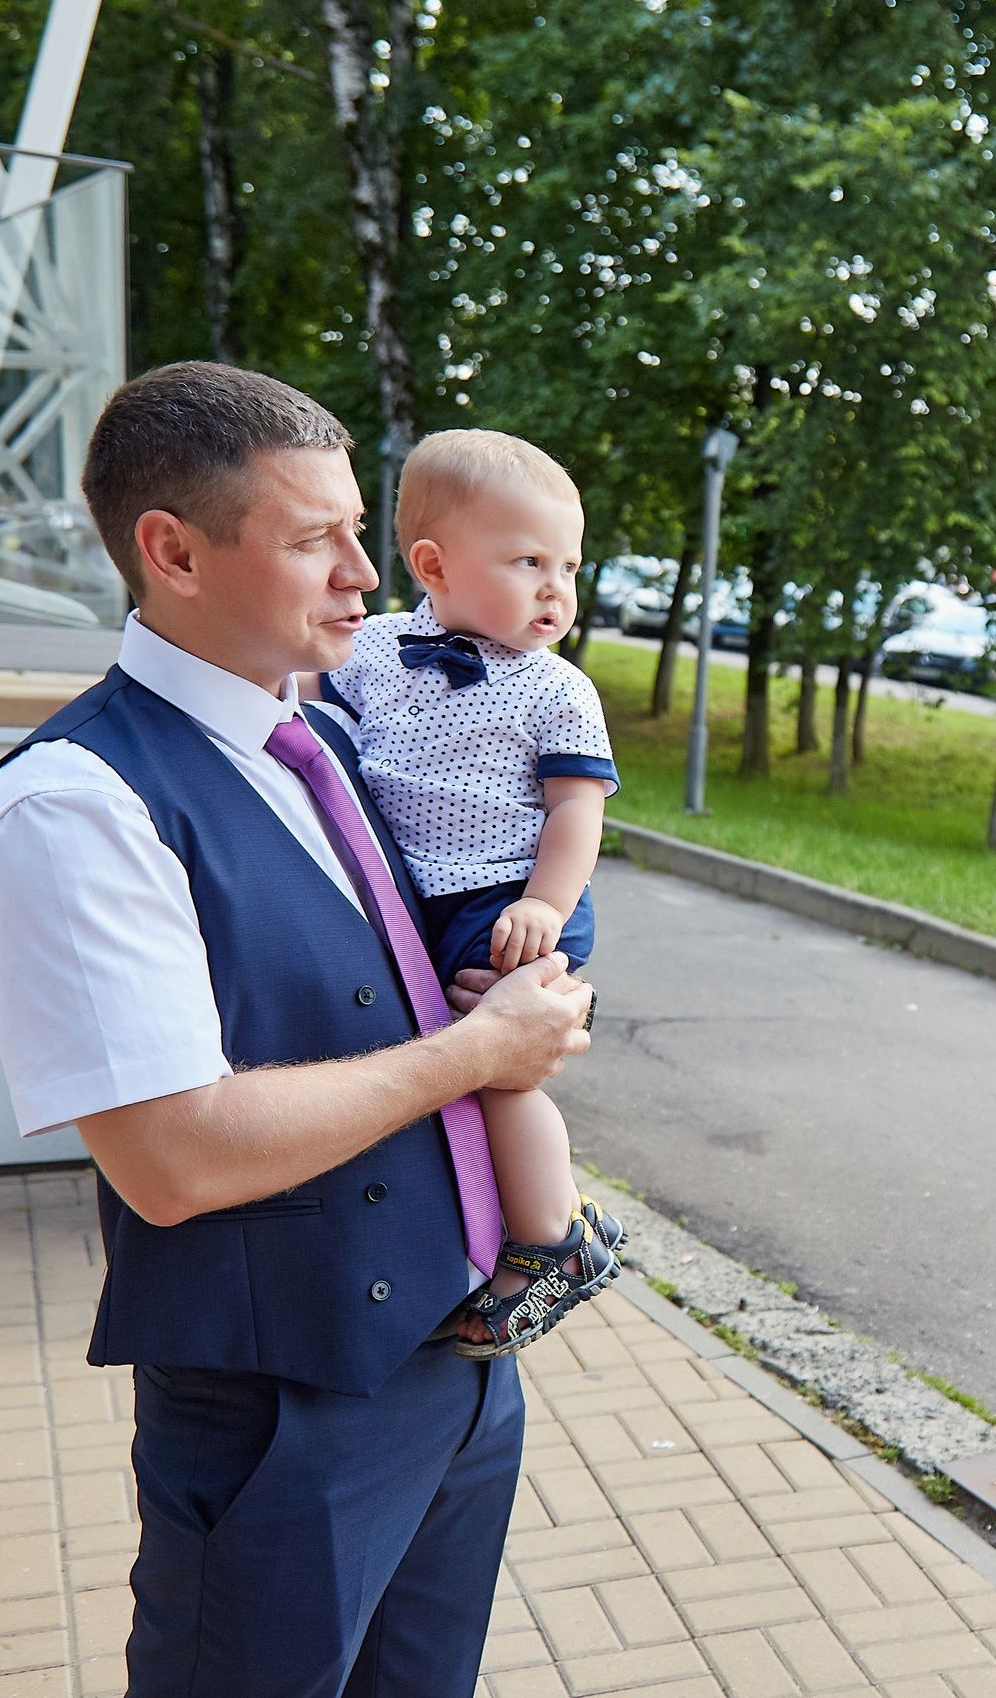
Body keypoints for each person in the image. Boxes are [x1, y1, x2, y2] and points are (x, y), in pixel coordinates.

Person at [0, 362, 597, 1696]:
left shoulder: (329, 739)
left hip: (458, 1368)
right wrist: (480, 1055)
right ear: (173, 550)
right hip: (284, 1418)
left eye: (360, 530)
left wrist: (504, 990)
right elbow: (173, 1155)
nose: (367, 574)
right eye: (317, 538)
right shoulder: (78, 801)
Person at [315, 429, 623, 1356]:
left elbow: (576, 811)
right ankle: (475, 1218)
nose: (555, 588)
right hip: (414, 897)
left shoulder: (556, 690)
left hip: (509, 902)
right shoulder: (370, 647)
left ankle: (552, 1238)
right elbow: (294, 694)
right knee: (439, 1056)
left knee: (495, 1063)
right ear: (433, 564)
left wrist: (546, 904)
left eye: (567, 564)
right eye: (528, 560)